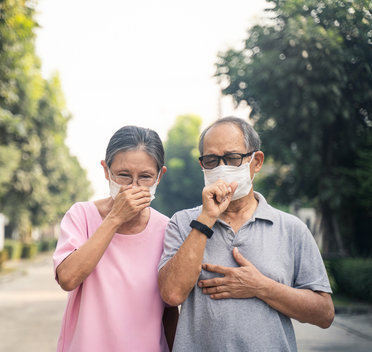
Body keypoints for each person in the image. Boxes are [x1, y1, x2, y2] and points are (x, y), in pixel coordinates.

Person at [158, 116, 334, 351]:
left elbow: (324, 314)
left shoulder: (291, 229)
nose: (221, 168)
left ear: (256, 161)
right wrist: (206, 218)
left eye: (232, 158)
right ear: (202, 165)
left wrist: (261, 287)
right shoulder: (182, 223)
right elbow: (171, 294)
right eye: (211, 160)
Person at [53, 125, 179, 352]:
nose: (133, 186)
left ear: (160, 176)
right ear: (106, 170)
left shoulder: (167, 229)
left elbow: (170, 308)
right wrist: (114, 219)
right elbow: (67, 279)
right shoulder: (81, 216)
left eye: (145, 177)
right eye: (123, 175)